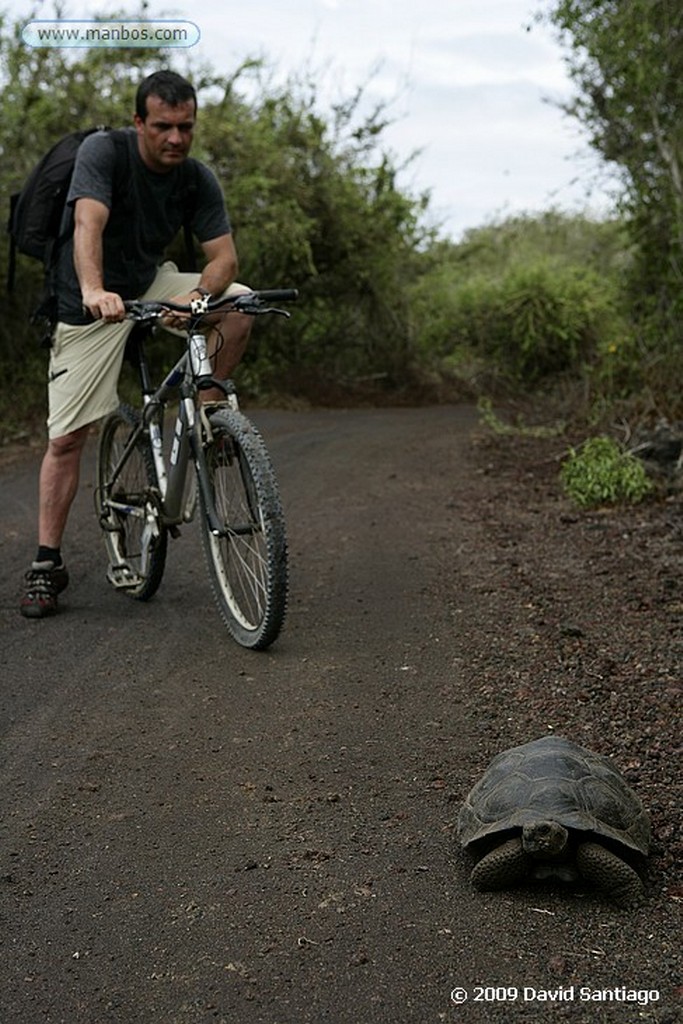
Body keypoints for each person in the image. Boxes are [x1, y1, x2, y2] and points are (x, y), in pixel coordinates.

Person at [20, 69, 252, 618]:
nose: (176, 138)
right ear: (139, 123)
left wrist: (196, 296)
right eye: (164, 127)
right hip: (88, 301)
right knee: (67, 440)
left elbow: (224, 258)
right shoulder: (105, 154)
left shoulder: (195, 178)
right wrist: (96, 290)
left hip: (150, 282)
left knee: (237, 305)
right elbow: (87, 227)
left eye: (186, 127)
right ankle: (46, 562)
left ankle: (210, 418)